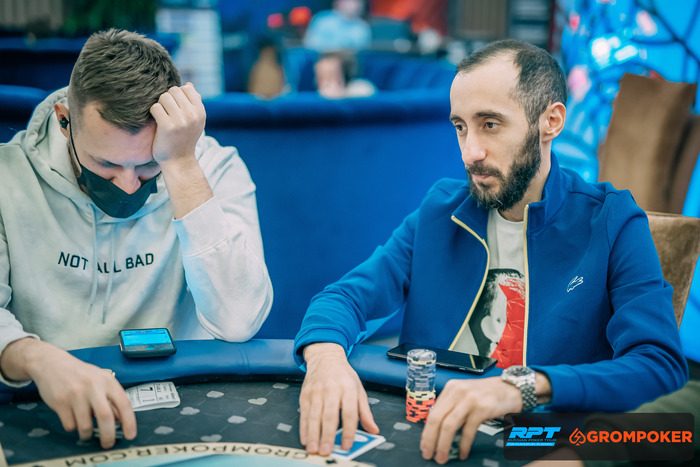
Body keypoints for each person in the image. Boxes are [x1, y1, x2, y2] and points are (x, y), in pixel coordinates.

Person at [293, 39, 688, 464]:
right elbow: (344, 298)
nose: (470, 153)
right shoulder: (441, 210)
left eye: (490, 124)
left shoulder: (611, 220)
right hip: (428, 430)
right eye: (460, 127)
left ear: (551, 121)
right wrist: (326, 360)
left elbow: (658, 365)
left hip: (540, 440)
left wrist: (521, 387)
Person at [0, 29, 273, 449]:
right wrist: (35, 357)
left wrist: (180, 165)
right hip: (43, 403)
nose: (128, 185)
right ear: (64, 120)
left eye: (147, 166)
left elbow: (239, 321)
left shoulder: (213, 166)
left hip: (184, 405)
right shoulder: (8, 177)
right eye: (106, 164)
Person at [303, 0, 371, 53]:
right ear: (339, 2)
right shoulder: (322, 20)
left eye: (357, 2)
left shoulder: (362, 27)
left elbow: (361, 53)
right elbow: (310, 45)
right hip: (321, 59)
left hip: (349, 63)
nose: (355, 5)